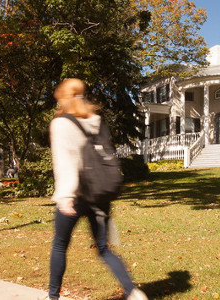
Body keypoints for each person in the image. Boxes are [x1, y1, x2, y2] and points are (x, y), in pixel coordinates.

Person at [45, 79, 147, 300]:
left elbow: (65, 162)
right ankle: (133, 292)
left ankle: (53, 297)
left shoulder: (61, 123)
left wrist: (65, 196)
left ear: (63, 98)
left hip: (76, 195)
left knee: (60, 245)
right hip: (100, 193)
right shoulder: (97, 120)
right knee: (103, 248)